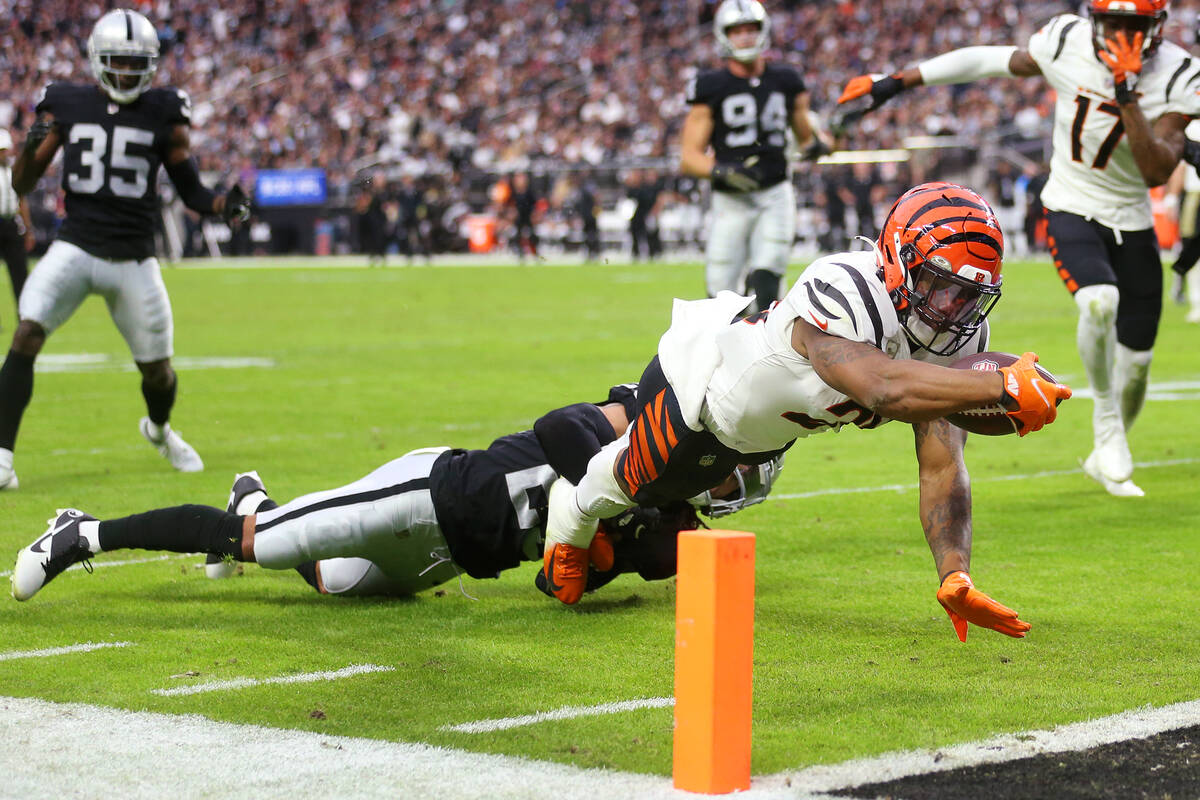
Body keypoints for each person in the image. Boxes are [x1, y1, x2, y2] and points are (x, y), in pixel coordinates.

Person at [540, 182, 1072, 648]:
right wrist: (998, 385)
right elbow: (882, 387)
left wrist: (955, 574)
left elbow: (942, 465)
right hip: (700, 392)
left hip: (766, 437)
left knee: (693, 511)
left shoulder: (956, 341)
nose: (952, 310)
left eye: (968, 296)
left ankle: (603, 494)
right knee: (640, 481)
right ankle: (573, 512)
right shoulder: (846, 285)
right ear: (898, 260)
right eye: (941, 285)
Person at [836, 0, 1198, 497]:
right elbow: (990, 59)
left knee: (1136, 364)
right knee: (1099, 302)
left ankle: (1111, 436)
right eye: (1112, 22)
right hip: (1071, 204)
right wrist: (899, 80)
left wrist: (1126, 94)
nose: (1119, 35)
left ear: (1155, 27)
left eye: (1133, 25)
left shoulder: (1179, 73)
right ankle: (1107, 427)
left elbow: (1157, 170)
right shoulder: (1068, 40)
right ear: (1093, 19)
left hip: (1132, 221)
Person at [10, 385, 783, 602]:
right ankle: (84, 532)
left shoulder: (673, 536)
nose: (735, 483)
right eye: (741, 467)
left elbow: (561, 580)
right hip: (431, 494)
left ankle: (253, 498)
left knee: (334, 579)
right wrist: (607, 495)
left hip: (453, 563)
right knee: (265, 547)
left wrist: (609, 551)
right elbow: (559, 424)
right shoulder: (651, 434)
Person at [0, 9, 249, 490]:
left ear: (151, 66)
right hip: (75, 247)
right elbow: (23, 182)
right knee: (26, 332)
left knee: (158, 373)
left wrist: (224, 205)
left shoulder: (164, 112)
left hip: (134, 258)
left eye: (137, 64)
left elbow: (192, 190)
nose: (127, 73)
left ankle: (158, 430)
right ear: (97, 61)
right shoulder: (66, 104)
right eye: (117, 62)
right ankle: (3, 458)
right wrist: (30, 151)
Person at [680, 0, 832, 313]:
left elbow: (806, 140)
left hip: (775, 194)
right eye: (738, 31)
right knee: (720, 293)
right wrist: (724, 172)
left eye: (752, 29)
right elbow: (689, 157)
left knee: (769, 283)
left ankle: (768, 355)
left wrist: (822, 143)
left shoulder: (786, 80)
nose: (746, 37)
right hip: (730, 199)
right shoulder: (711, 86)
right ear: (725, 35)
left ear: (763, 32)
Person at [0, 129, 35, 315]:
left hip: (12, 224)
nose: (5, 154)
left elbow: (22, 200)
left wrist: (28, 230)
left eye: (6, 150)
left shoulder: (13, 171)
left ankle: (25, 315)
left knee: (20, 273)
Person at [1167, 131, 1200, 322]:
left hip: (1194, 196)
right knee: (1192, 251)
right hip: (1194, 196)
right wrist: (1172, 196)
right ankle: (1196, 301)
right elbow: (1181, 166)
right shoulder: (1191, 125)